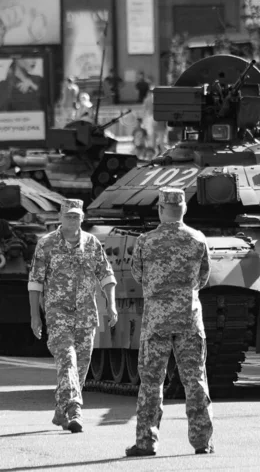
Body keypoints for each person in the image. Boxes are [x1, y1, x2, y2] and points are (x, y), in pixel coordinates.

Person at [126, 187, 213, 457]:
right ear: (184, 209)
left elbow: (138, 275)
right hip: (189, 319)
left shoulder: (145, 241)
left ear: (160, 209)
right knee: (195, 380)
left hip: (156, 322)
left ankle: (146, 442)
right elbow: (204, 278)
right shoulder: (198, 239)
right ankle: (202, 442)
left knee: (151, 383)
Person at [28, 199, 118, 433]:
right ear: (60, 216)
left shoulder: (92, 243)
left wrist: (112, 304)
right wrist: (35, 316)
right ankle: (75, 409)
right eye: (68, 215)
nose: (72, 219)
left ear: (82, 218)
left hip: (87, 315)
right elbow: (35, 282)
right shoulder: (46, 244)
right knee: (67, 359)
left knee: (81, 366)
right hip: (58, 314)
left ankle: (60, 412)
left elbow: (106, 274)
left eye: (76, 216)